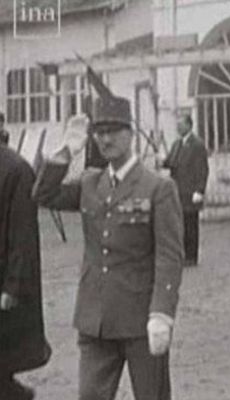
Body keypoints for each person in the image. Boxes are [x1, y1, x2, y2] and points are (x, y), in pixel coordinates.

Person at [33, 92, 184, 400]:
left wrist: (162, 313)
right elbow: (43, 195)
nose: (105, 138)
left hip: (140, 318)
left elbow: (170, 256)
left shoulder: (158, 187)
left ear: (130, 133)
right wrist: (65, 151)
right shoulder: (91, 183)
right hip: (95, 318)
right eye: (99, 132)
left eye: (113, 130)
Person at [0, 146, 51, 400]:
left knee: (4, 356)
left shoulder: (16, 169)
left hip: (4, 279)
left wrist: (13, 285)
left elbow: (23, 234)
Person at [163, 113, 209, 267]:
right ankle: (181, 254)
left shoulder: (197, 145)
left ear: (189, 125)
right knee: (179, 224)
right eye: (177, 124)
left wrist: (200, 191)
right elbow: (171, 162)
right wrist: (162, 160)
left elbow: (202, 169)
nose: (178, 127)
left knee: (191, 225)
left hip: (190, 191)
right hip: (177, 190)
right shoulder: (177, 144)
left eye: (181, 124)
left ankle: (191, 256)